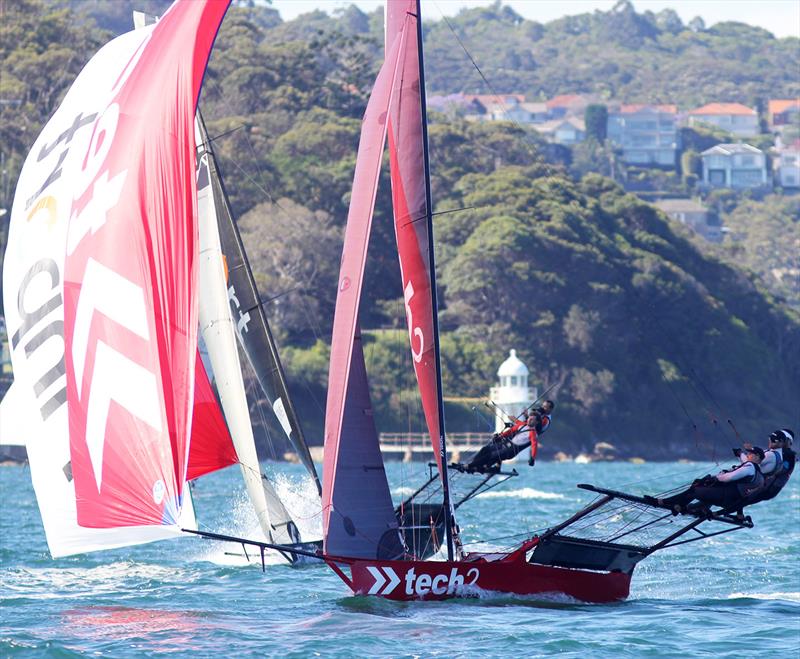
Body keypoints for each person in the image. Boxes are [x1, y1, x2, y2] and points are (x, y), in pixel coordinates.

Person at [655, 446, 765, 514]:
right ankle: (683, 506)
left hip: (725, 496)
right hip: (731, 502)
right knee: (702, 489)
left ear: (757, 457)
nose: (748, 455)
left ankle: (665, 502)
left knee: (695, 488)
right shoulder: (758, 473)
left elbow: (730, 477)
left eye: (750, 453)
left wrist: (716, 478)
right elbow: (744, 465)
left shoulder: (750, 466)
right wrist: (740, 454)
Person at [466, 400, 554, 473]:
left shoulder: (545, 420)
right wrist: (520, 420)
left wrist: (532, 458)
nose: (543, 407)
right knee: (496, 445)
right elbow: (527, 424)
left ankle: (478, 466)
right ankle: (491, 466)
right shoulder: (540, 416)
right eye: (543, 405)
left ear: (550, 409)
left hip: (526, 437)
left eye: (545, 407)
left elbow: (535, 427)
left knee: (496, 453)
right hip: (522, 433)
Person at [742, 428, 795, 504]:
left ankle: (734, 513)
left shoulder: (789, 455)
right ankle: (739, 514)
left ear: (788, 441)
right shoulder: (776, 451)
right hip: (766, 485)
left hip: (771, 487)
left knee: (743, 498)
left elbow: (781, 469)